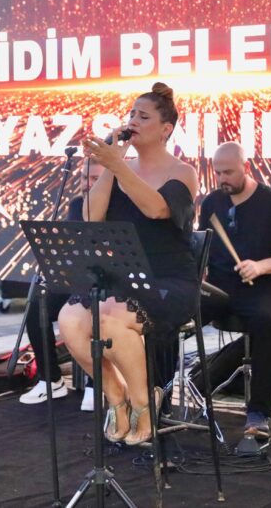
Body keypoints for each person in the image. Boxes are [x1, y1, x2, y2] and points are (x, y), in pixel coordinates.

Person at [58, 82, 199, 446]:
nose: (133, 121)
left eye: (144, 116)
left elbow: (156, 209)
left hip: (169, 281)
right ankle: (117, 398)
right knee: (70, 319)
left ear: (165, 129)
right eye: (132, 114)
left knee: (109, 320)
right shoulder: (119, 168)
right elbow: (91, 217)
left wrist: (119, 167)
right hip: (125, 279)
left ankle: (144, 402)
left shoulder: (182, 172)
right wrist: (111, 166)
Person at [198, 142, 271, 440]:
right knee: (171, 314)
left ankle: (259, 412)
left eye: (229, 172)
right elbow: (202, 248)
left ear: (245, 167)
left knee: (266, 322)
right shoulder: (212, 203)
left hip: (265, 287)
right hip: (220, 287)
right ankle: (159, 399)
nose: (222, 179)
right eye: (218, 173)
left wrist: (260, 266)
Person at [19, 161, 105, 408]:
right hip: (77, 277)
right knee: (37, 304)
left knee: (92, 308)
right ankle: (50, 379)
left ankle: (97, 382)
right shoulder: (77, 204)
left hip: (107, 282)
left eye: (95, 178)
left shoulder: (120, 205)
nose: (87, 184)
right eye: (85, 178)